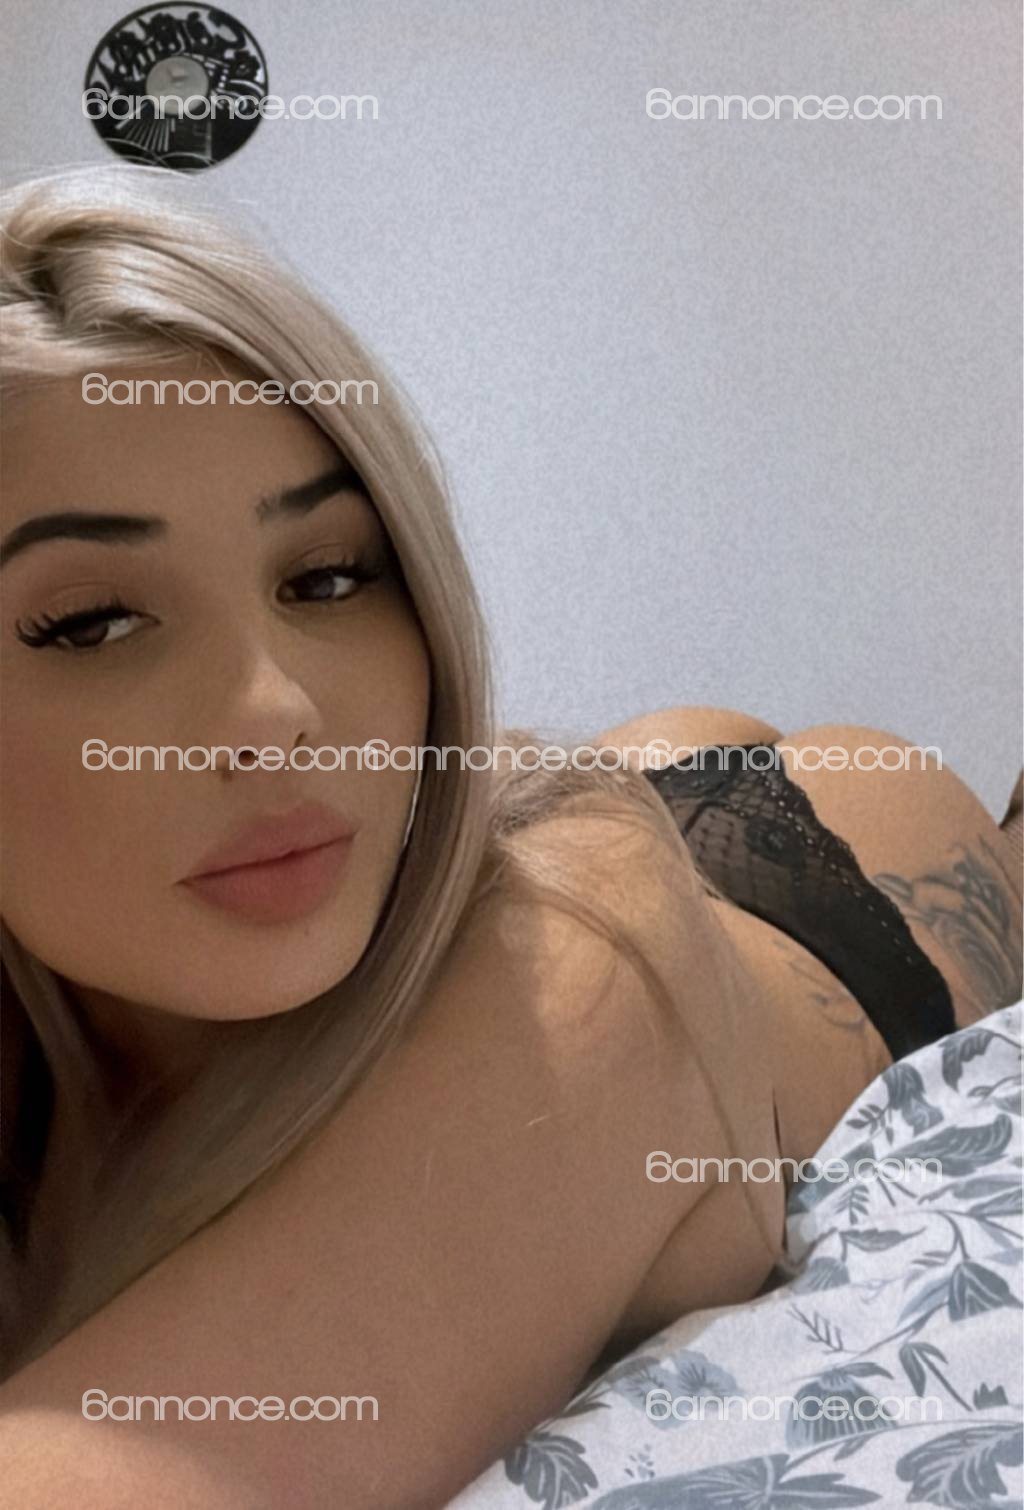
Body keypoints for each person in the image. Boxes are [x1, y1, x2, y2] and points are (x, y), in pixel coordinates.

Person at [0, 165, 1020, 1509]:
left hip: (824, 901)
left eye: (328, 575)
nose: (279, 710)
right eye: (92, 623)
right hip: (573, 804)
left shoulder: (567, 977)